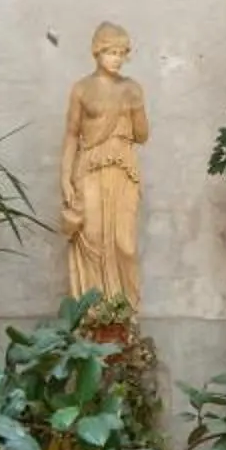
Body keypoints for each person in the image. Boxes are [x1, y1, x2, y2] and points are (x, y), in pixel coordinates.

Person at [59, 21, 148, 306]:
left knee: (126, 245)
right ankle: (93, 314)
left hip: (123, 168)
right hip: (90, 168)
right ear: (97, 52)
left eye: (122, 53)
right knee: (93, 238)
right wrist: (65, 177)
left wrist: (136, 107)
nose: (117, 58)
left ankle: (126, 315)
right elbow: (72, 135)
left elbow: (143, 136)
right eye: (111, 52)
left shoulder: (132, 89)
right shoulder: (82, 89)